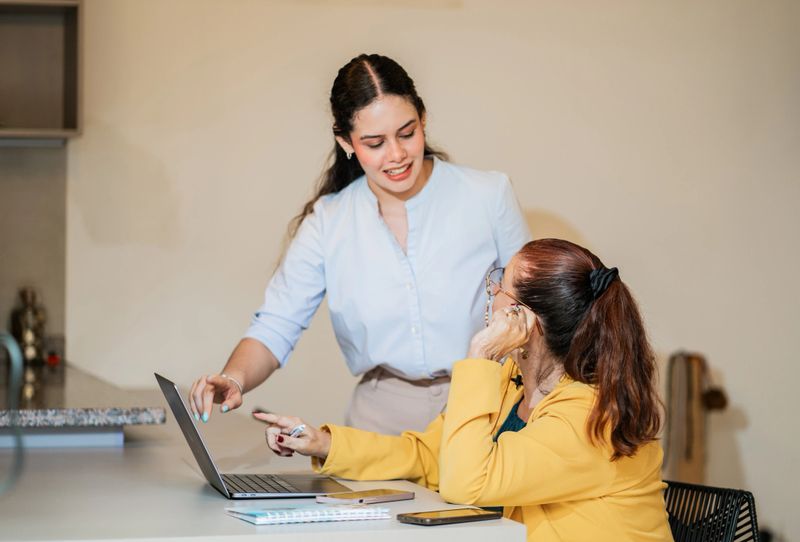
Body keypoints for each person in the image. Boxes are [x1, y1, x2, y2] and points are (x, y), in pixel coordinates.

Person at [188, 53, 530, 434]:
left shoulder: (488, 195)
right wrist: (233, 379)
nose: (397, 155)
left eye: (407, 133)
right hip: (382, 419)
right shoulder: (329, 221)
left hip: (488, 403)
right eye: (374, 142)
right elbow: (275, 327)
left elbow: (535, 309)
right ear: (346, 141)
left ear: (424, 119)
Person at [255, 239, 673, 542]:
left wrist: (481, 355)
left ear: (522, 319)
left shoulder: (592, 415)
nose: (489, 295)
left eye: (499, 286)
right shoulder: (511, 386)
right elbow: (430, 456)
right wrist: (325, 443)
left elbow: (468, 483)